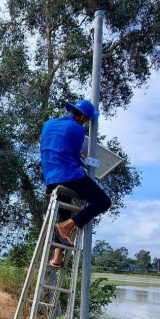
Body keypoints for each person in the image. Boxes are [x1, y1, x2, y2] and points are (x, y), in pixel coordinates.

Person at [40, 99, 112, 268]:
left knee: (65, 210)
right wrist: (83, 160)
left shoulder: (49, 124)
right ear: (83, 118)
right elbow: (73, 157)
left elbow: (55, 148)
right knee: (103, 201)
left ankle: (57, 258)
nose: (87, 123)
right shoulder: (78, 129)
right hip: (67, 174)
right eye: (87, 120)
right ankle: (67, 227)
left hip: (50, 177)